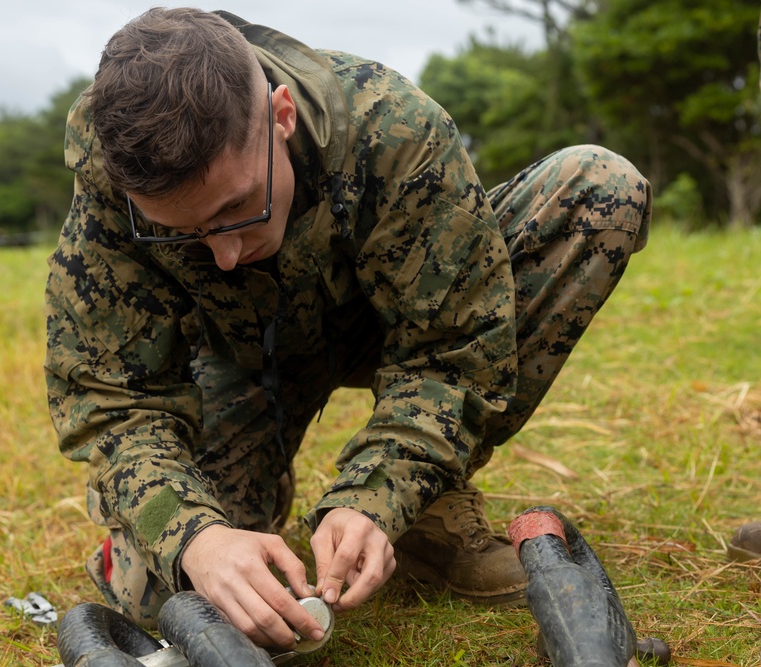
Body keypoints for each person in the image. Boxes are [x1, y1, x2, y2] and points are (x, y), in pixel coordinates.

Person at [44, 8, 652, 650]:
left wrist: (378, 496)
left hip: (401, 325)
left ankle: (425, 513)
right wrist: (198, 537)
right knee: (158, 591)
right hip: (242, 362)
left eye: (234, 208)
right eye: (182, 231)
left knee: (601, 189)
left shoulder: (394, 129)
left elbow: (453, 351)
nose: (223, 254)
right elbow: (111, 398)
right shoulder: (116, 177)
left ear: (281, 117)